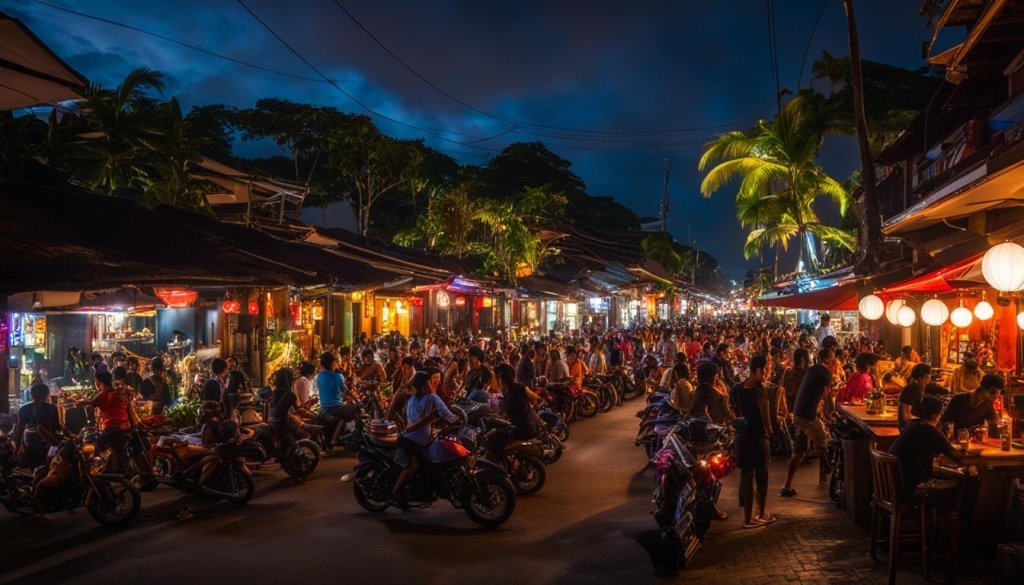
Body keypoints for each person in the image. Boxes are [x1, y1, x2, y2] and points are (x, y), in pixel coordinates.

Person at [391, 369, 459, 507]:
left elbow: (421, 420)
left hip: (415, 438)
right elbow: (446, 413)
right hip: (414, 440)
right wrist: (457, 420)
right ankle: (395, 492)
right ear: (424, 385)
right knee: (413, 465)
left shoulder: (412, 400)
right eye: (429, 381)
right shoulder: (432, 398)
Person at [780, 348, 834, 498]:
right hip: (806, 415)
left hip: (797, 413)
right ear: (827, 360)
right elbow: (831, 388)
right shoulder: (823, 371)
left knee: (799, 451)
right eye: (833, 359)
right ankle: (827, 473)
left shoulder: (812, 370)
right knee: (825, 440)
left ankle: (787, 486)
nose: (835, 361)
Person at [730, 355, 776, 528]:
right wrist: (770, 431)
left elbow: (732, 413)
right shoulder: (761, 390)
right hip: (757, 437)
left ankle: (748, 518)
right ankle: (761, 513)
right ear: (757, 370)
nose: (765, 375)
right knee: (762, 476)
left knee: (746, 476)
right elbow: (765, 415)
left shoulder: (736, 389)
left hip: (742, 438)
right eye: (764, 371)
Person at [889, 395, 964, 498]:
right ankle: (951, 513)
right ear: (935, 415)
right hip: (913, 487)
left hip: (894, 483)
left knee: (949, 474)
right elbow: (959, 459)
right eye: (940, 414)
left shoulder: (911, 424)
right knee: (964, 479)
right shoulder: (930, 431)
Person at [78, 372, 132, 471]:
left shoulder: (102, 395)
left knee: (95, 446)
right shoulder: (121, 392)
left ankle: (99, 469)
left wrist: (77, 401)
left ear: (99, 382)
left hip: (112, 429)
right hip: (126, 428)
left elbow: (89, 403)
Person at [13, 383, 59, 469]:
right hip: (47, 446)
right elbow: (57, 428)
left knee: (32, 469)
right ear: (47, 394)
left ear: (31, 395)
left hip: (29, 445)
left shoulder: (24, 408)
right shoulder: (52, 408)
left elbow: (18, 431)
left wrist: (17, 448)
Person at [317, 351, 356, 444]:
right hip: (335, 407)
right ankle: (350, 433)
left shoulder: (319, 376)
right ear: (332, 363)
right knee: (354, 408)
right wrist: (353, 396)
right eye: (336, 361)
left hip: (323, 406)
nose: (338, 363)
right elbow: (345, 390)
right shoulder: (338, 376)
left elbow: (329, 389)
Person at [494, 363, 539, 440]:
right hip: (529, 428)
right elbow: (535, 398)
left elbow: (503, 416)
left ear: (502, 381)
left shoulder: (503, 397)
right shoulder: (520, 387)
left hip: (518, 432)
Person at [898, 363, 933, 430]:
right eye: (927, 376)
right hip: (908, 431)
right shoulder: (910, 390)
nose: (929, 380)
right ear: (920, 378)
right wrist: (925, 421)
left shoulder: (920, 389)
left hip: (915, 427)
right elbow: (906, 417)